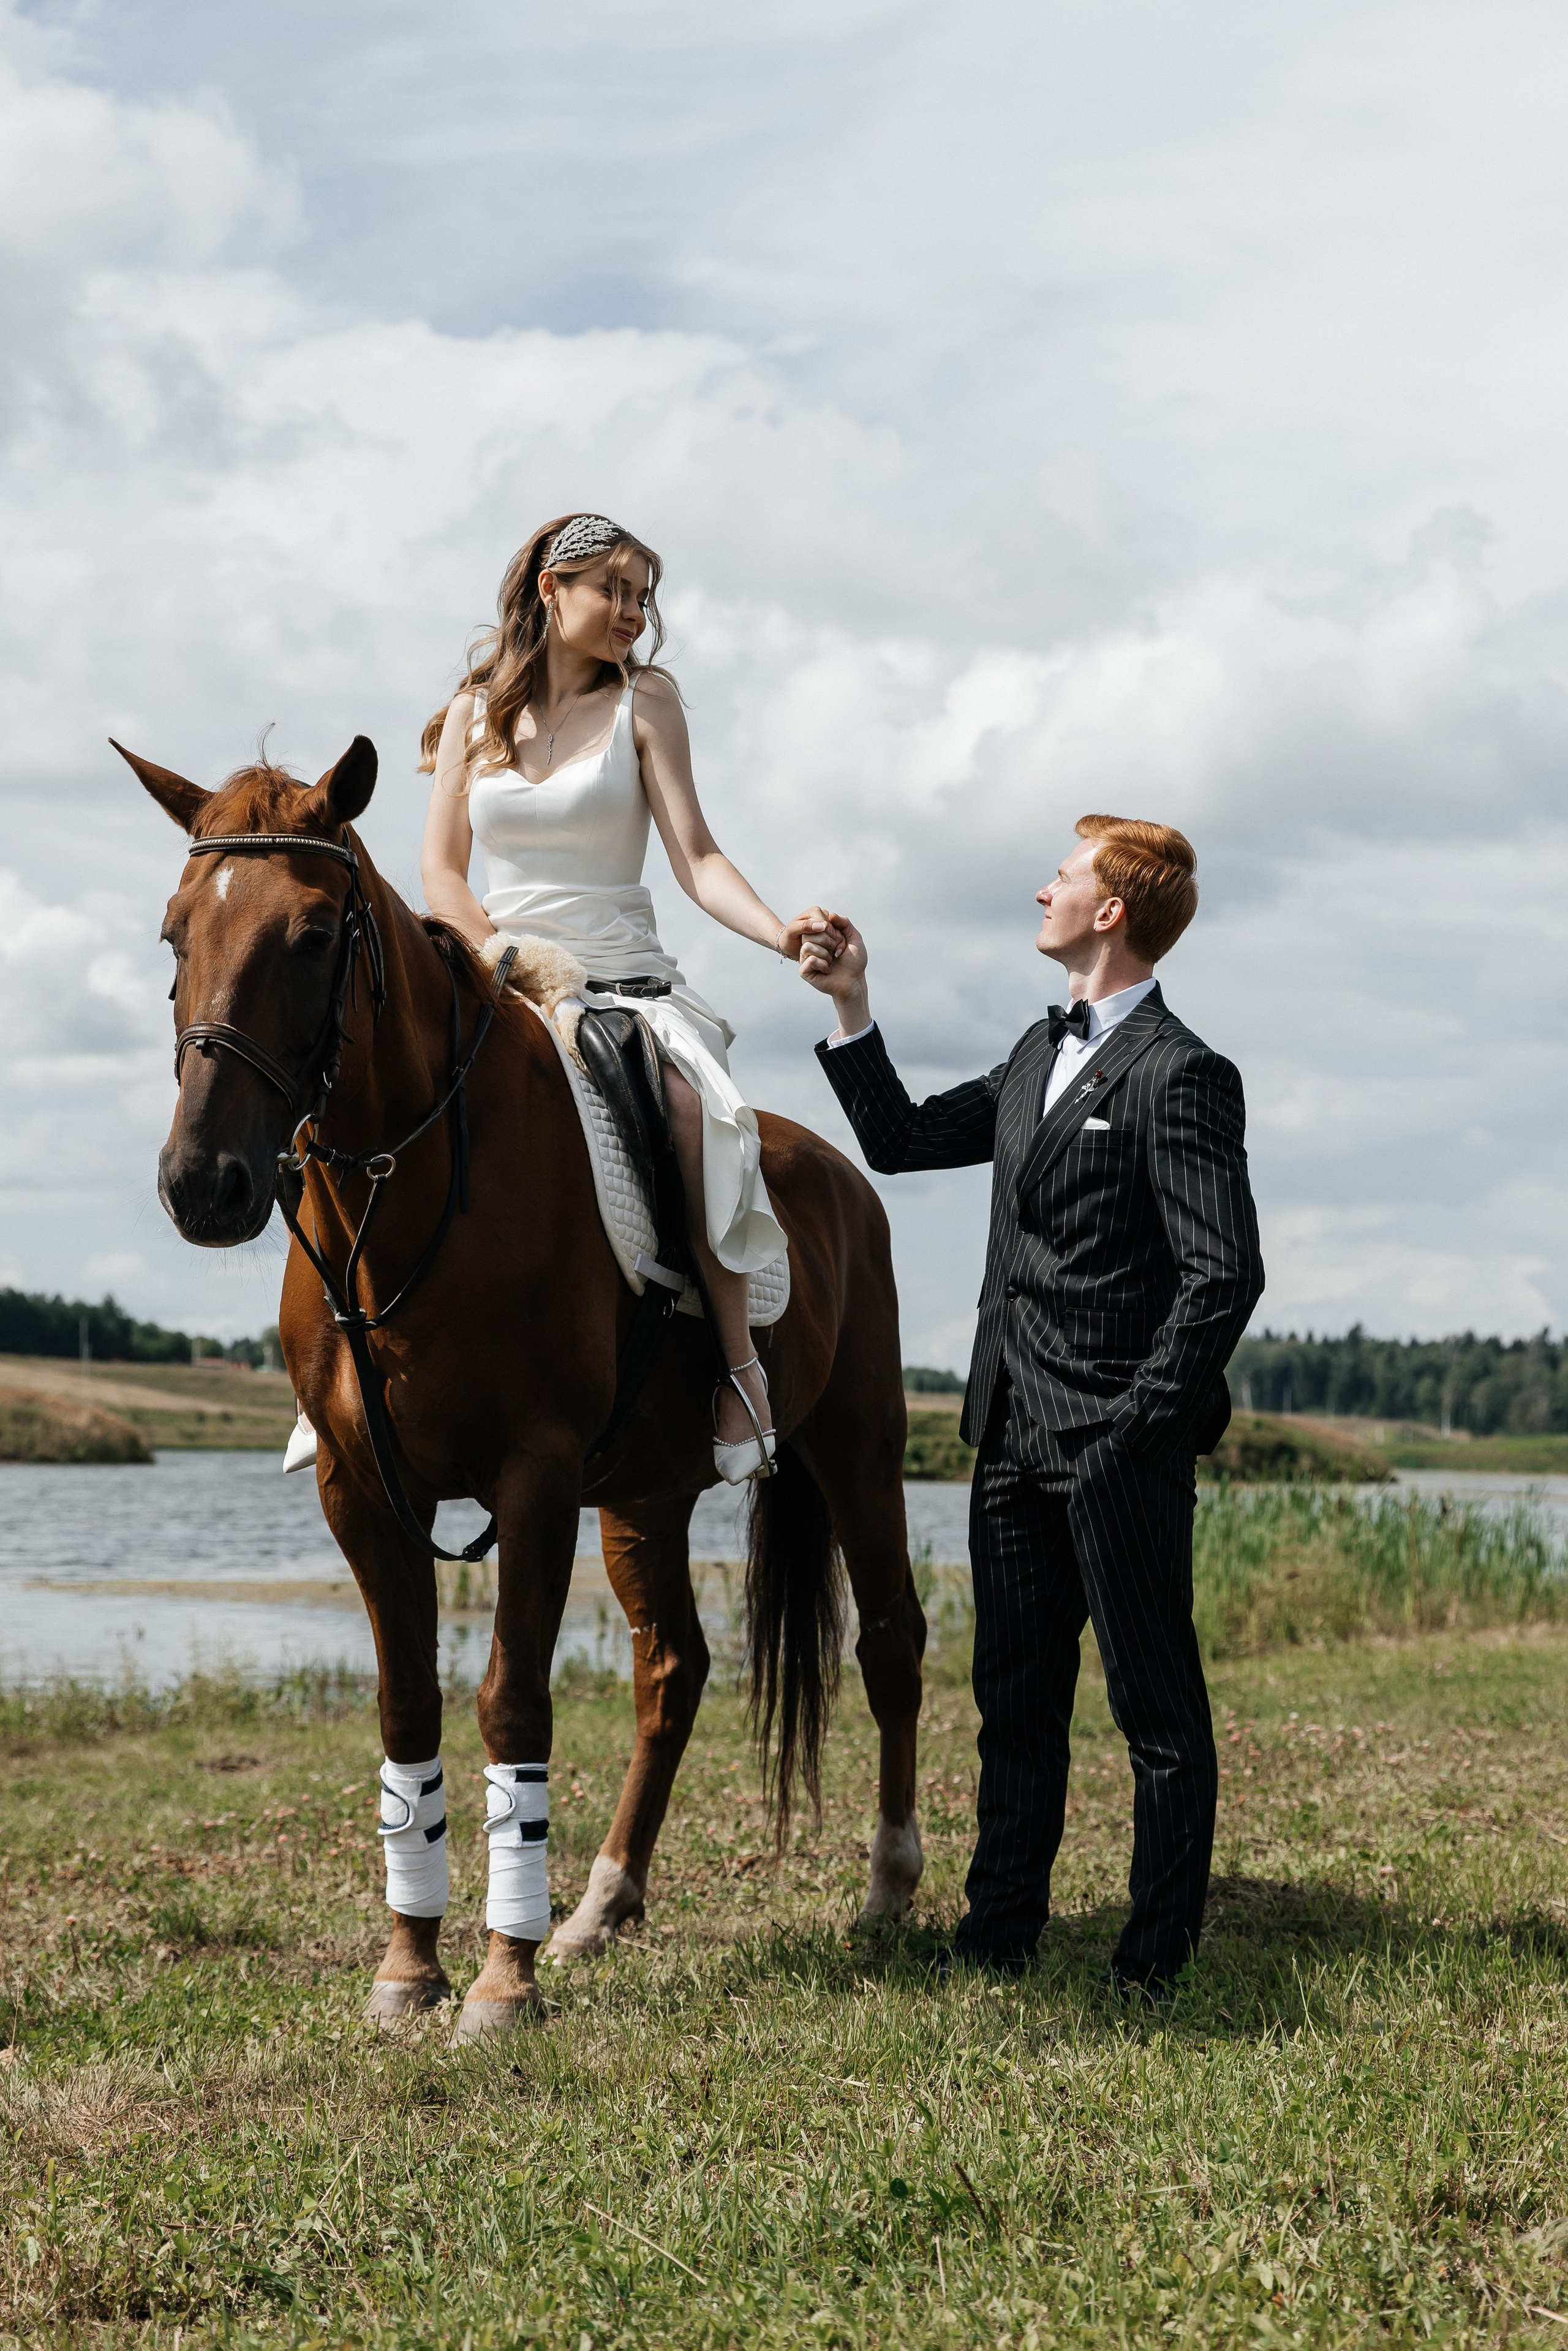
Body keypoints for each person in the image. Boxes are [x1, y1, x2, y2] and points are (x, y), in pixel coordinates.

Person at [800, 818, 1264, 1993]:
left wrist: (1137, 1431)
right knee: (1013, 1703)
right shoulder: (1030, 1052)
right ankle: (996, 1934)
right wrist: (854, 1005)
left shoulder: (1182, 1072)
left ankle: (1152, 1963)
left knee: (1156, 1714)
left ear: (1111, 912)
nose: (1040, 890)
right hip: (1006, 1433)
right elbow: (902, 1139)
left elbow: (1224, 1276)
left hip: (1119, 1446)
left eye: (1062, 877)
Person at [415, 511, 835, 1482]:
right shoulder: (472, 715)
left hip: (623, 984)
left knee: (690, 1114)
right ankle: (335, 1368)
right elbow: (441, 873)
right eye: (614, 589)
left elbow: (698, 856)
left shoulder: (648, 701)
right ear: (551, 590)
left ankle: (738, 1367)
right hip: (500, 971)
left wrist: (780, 933)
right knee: (368, 1072)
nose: (634, 612)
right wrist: (501, 955)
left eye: (643, 595)